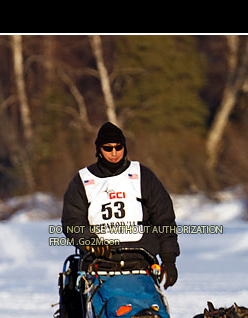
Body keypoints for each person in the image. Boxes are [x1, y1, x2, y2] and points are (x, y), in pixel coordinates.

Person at [61, 121, 179, 288]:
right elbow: (72, 222)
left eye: (119, 147)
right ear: (99, 150)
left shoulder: (142, 175)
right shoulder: (82, 180)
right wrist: (91, 242)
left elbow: (164, 219)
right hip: (99, 261)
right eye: (108, 148)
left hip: (141, 259)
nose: (114, 153)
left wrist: (168, 259)